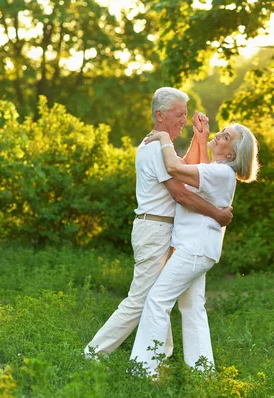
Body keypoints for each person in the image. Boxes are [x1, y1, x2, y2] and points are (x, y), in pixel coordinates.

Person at [84, 87, 232, 358]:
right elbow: (181, 193)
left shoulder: (163, 145)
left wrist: (200, 140)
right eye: (178, 115)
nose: (184, 121)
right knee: (141, 300)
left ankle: (157, 360)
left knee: (158, 297)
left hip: (163, 229)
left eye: (186, 114)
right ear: (159, 115)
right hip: (155, 229)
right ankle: (93, 354)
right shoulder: (155, 147)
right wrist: (217, 214)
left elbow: (187, 169)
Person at [129, 122, 259, 377]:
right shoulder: (216, 171)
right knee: (192, 308)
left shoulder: (220, 173)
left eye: (225, 137)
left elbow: (174, 167)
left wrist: (165, 137)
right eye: (222, 132)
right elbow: (192, 175)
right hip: (199, 250)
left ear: (231, 153)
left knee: (157, 300)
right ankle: (202, 373)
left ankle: (143, 370)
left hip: (194, 250)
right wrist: (201, 139)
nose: (219, 135)